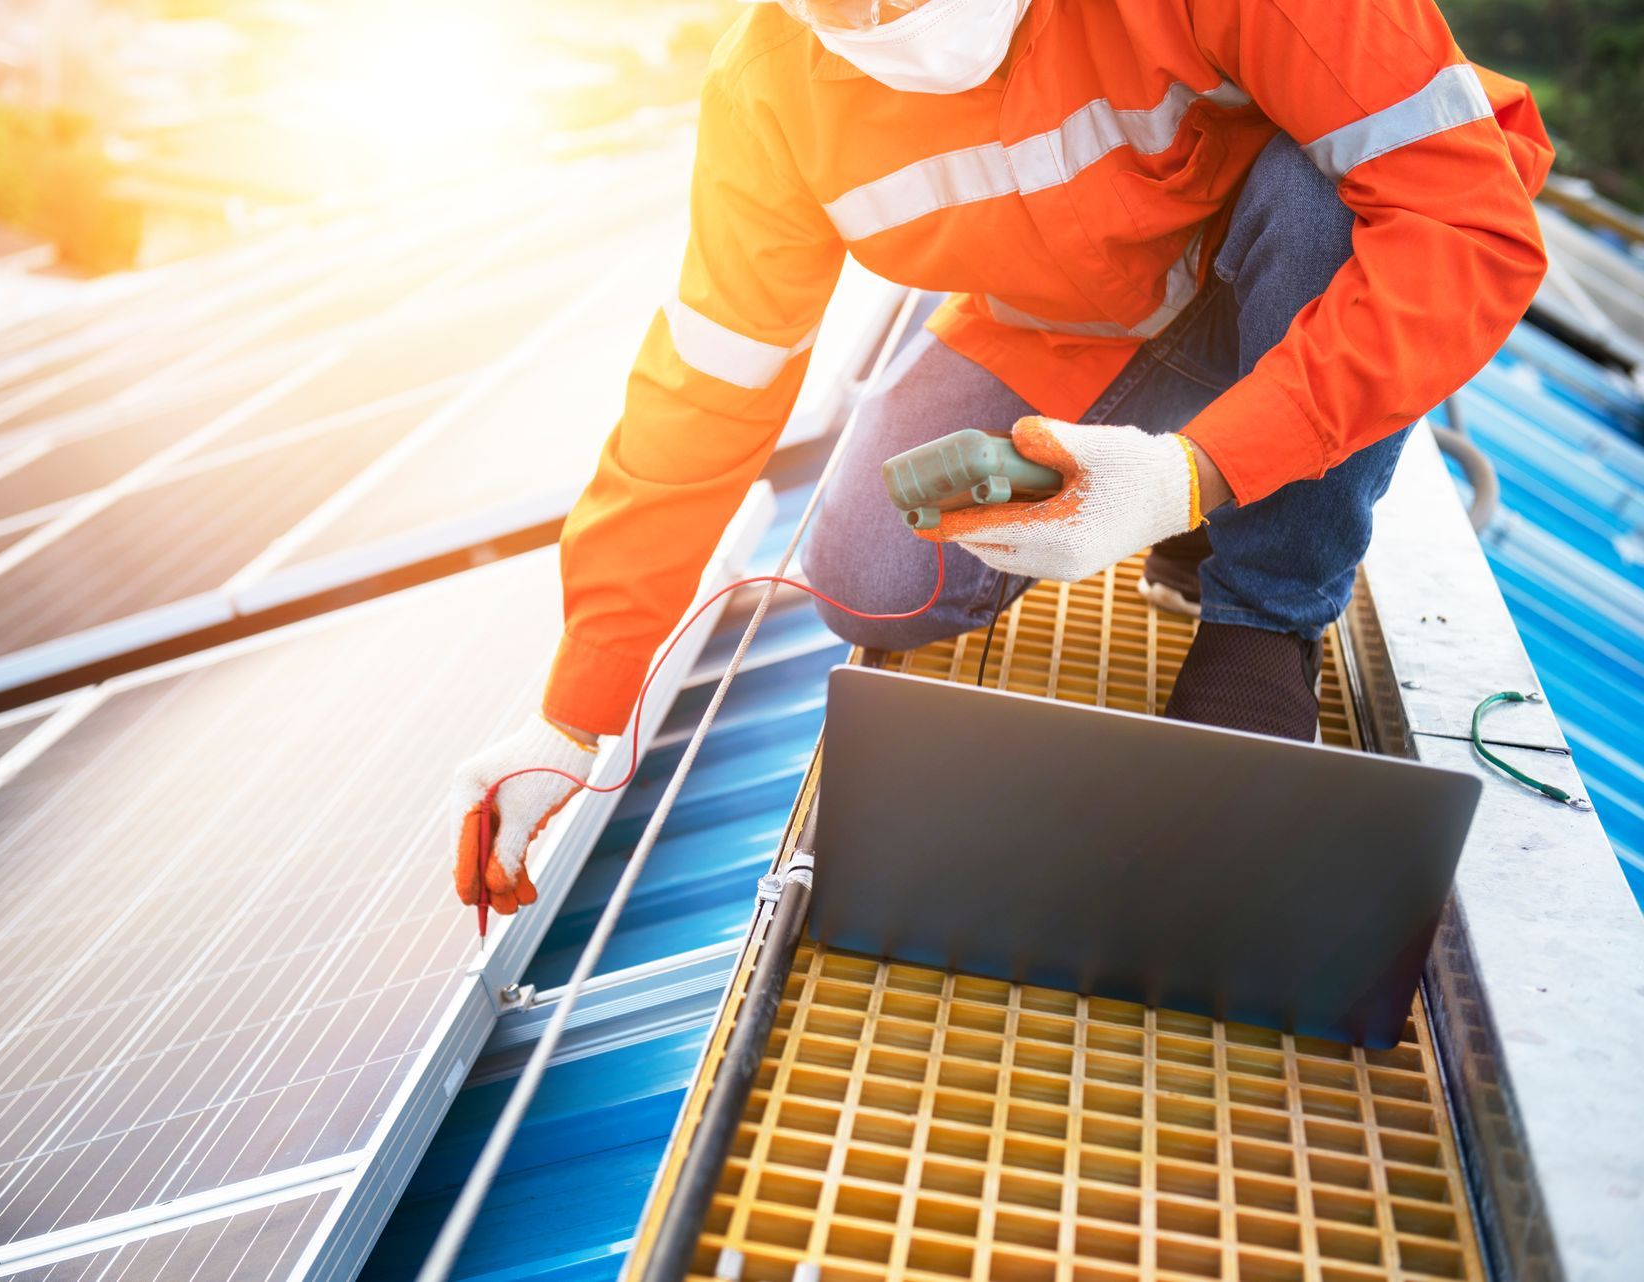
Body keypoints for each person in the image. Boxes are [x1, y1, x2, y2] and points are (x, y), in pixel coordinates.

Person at [450, 0, 1553, 916]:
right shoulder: (771, 87)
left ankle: (1264, 614)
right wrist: (576, 709)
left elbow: (1463, 226)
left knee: (1333, 210)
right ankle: (1194, 480)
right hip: (1079, 323)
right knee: (870, 580)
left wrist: (1191, 472)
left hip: (1291, 264)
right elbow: (708, 384)